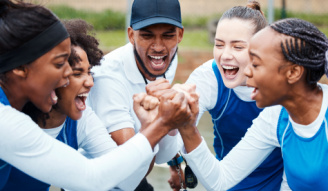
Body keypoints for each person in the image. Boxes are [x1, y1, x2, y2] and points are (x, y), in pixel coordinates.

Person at [0, 1, 194, 191]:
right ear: (20, 68)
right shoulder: (6, 121)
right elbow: (92, 177)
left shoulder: (81, 118)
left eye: (88, 72)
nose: (66, 78)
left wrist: (152, 129)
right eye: (60, 65)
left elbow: (124, 182)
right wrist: (158, 126)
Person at [169, 18, 328, 190]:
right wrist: (188, 127)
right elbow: (221, 179)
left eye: (255, 64)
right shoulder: (275, 118)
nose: (247, 72)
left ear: (293, 72)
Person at [168, 1, 284, 190]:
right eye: (219, 45)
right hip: (227, 182)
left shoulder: (283, 84)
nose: (225, 55)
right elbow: (175, 135)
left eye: (238, 47)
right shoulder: (208, 77)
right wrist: (175, 161)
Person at [87, 0, 185, 189]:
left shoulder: (166, 60)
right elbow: (127, 174)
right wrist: (158, 123)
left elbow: (160, 155)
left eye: (168, 36)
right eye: (147, 36)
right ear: (131, 35)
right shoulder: (107, 78)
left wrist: (174, 153)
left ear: (179, 35)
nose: (158, 47)